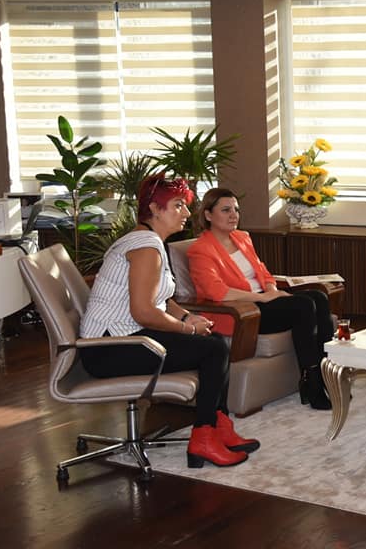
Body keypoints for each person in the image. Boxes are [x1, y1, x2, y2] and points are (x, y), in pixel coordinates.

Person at [79, 175, 258, 469]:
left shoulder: (149, 241)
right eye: (178, 205)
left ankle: (216, 426)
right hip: (108, 349)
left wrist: (188, 316)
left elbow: (160, 298)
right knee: (213, 349)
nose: (186, 212)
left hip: (127, 338)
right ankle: (204, 437)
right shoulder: (145, 248)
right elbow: (144, 311)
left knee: (213, 342)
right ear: (154, 208)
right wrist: (187, 329)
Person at [187, 188, 334, 410]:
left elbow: (263, 273)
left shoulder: (242, 237)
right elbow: (217, 291)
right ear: (208, 215)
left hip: (265, 301)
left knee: (319, 297)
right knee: (303, 306)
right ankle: (312, 382)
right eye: (226, 210)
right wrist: (263, 298)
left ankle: (325, 374)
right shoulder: (200, 249)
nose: (234, 215)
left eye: (236, 209)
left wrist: (271, 290)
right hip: (244, 313)